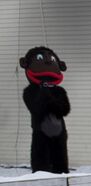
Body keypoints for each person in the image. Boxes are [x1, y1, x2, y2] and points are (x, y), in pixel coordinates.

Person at [19, 46, 70, 174]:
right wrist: (44, 92)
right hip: (40, 133)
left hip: (60, 133)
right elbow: (36, 109)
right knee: (41, 166)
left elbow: (64, 109)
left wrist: (49, 96)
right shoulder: (29, 91)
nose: (47, 62)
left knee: (61, 166)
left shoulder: (60, 91)